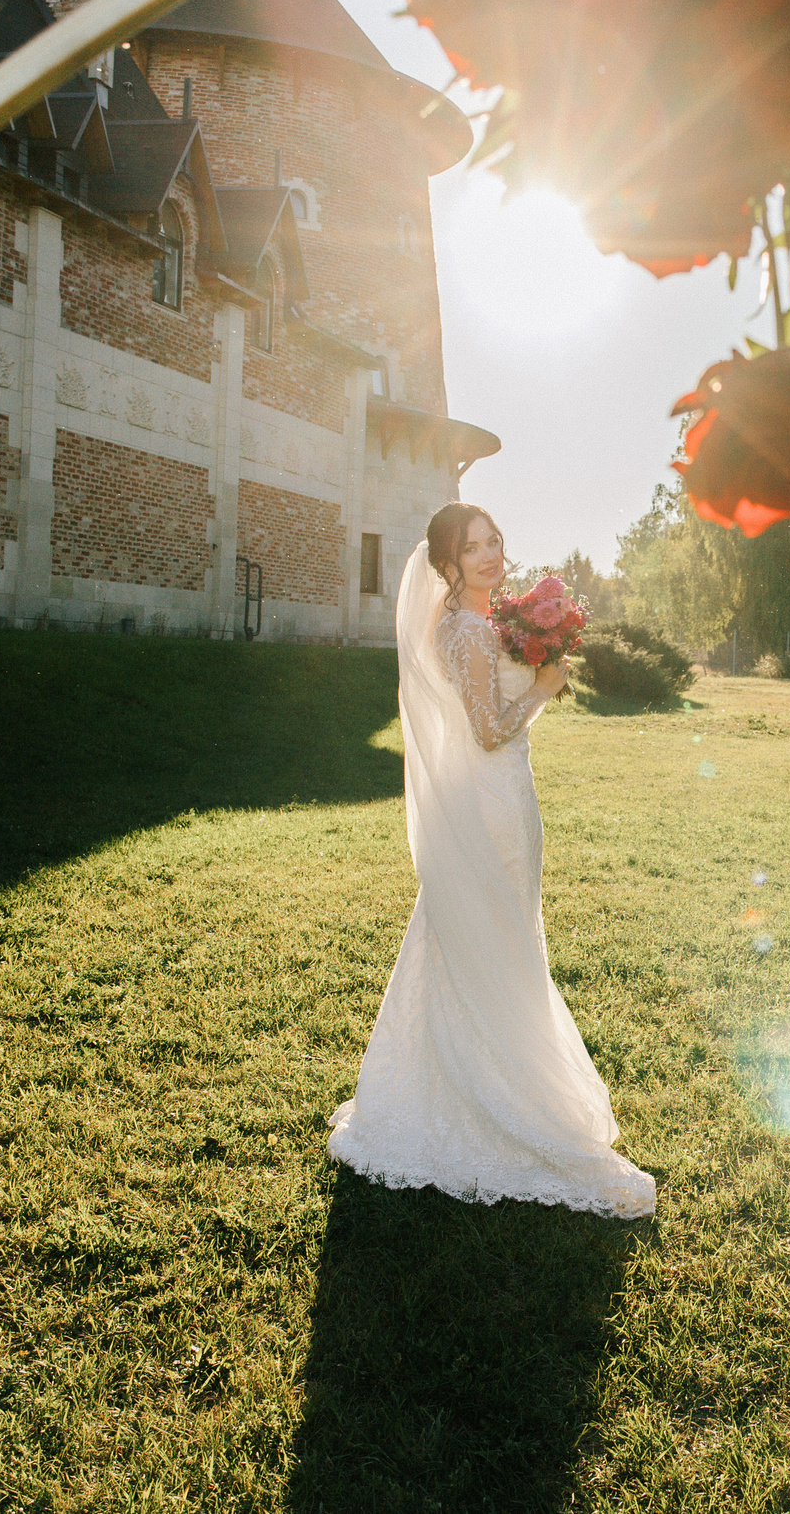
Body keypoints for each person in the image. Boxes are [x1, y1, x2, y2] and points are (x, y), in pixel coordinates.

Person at [326, 502, 657, 1218]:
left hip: (490, 803)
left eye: (493, 540)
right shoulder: (472, 631)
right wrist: (542, 688)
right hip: (494, 805)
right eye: (471, 547)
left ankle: (435, 1086)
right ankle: (504, 1103)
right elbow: (486, 731)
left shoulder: (469, 622)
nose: (489, 553)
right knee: (503, 950)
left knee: (470, 944)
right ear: (447, 563)